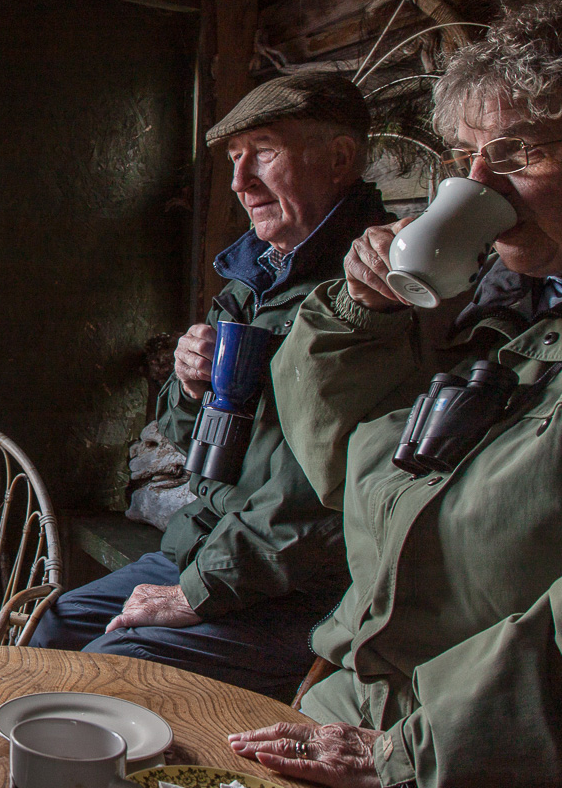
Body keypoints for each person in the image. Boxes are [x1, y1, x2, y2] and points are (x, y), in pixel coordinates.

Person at [230, 0, 562, 787]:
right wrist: (358, 313)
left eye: (515, 155)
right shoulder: (505, 319)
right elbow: (348, 467)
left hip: (482, 755)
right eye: (465, 159)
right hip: (363, 705)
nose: (480, 189)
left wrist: (410, 750)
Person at [31, 72, 389, 699]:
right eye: (233, 158)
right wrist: (188, 386)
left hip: (305, 589)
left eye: (265, 151)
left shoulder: (381, 291)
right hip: (212, 548)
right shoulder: (253, 281)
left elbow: (330, 510)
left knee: (111, 670)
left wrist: (198, 591)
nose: (239, 181)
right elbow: (190, 446)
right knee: (51, 628)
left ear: (340, 159)